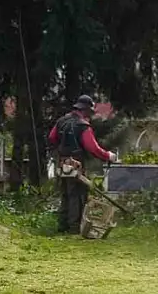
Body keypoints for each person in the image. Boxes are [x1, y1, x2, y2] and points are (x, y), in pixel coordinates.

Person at [48, 95, 118, 234]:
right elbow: (92, 148)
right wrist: (108, 156)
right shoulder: (83, 126)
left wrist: (62, 152)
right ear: (86, 110)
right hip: (76, 164)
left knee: (65, 194)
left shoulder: (61, 121)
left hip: (62, 163)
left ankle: (62, 226)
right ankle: (73, 228)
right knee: (77, 195)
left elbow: (52, 137)